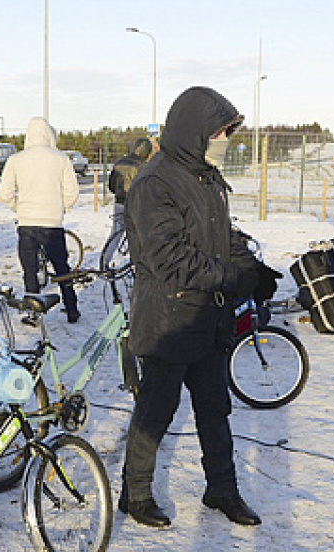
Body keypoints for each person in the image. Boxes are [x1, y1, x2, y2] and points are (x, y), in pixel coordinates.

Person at [119, 86, 278, 529]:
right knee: (155, 412)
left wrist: (252, 269)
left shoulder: (205, 176)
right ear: (195, 131)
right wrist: (233, 277)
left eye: (227, 132)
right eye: (220, 132)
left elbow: (221, 235)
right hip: (168, 321)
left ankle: (222, 488)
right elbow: (169, 258)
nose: (224, 140)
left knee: (214, 409)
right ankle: (135, 494)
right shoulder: (155, 183)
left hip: (208, 317)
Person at [0, 116, 81, 324]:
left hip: (26, 223)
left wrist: (18, 208)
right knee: (62, 269)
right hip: (52, 223)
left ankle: (33, 313)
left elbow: (4, 193)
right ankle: (72, 309)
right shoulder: (61, 159)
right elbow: (72, 192)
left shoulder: (16, 160)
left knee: (30, 269)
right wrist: (62, 208)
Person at [108, 137, 154, 236]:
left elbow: (111, 185)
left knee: (116, 234)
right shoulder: (144, 166)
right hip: (136, 205)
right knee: (138, 234)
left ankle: (109, 247)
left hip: (119, 202)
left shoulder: (119, 162)